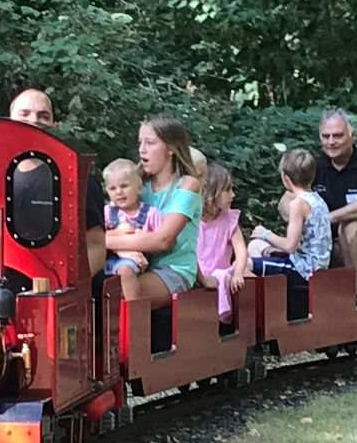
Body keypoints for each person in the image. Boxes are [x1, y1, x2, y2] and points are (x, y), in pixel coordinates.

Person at [280, 109, 357, 311]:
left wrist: (327, 217)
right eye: (326, 136)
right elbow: (286, 201)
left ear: (351, 136)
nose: (331, 142)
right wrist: (297, 216)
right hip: (324, 247)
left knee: (350, 227)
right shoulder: (315, 166)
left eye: (337, 135)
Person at [8, 88, 107, 280]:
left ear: (54, 125)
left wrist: (66, 285)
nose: (34, 121)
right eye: (24, 114)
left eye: (43, 116)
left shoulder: (77, 177)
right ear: (9, 119)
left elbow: (95, 245)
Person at [106, 115, 201, 306]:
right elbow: (110, 220)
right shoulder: (136, 185)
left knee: (121, 290)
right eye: (140, 142)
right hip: (135, 261)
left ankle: (135, 334)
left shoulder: (186, 185)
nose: (141, 149)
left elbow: (163, 240)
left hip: (173, 268)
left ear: (171, 149)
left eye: (149, 143)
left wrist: (102, 242)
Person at [249, 148, 331, 289]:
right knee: (255, 245)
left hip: (303, 270)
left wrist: (265, 234)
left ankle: (267, 304)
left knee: (245, 264)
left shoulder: (298, 204)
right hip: (314, 263)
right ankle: (271, 293)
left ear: (285, 177)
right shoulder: (318, 199)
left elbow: (290, 246)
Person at [100, 159, 165, 300]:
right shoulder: (106, 212)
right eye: (113, 188)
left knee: (125, 270)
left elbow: (161, 241)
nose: (119, 192)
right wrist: (116, 232)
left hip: (135, 261)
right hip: (105, 258)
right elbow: (95, 237)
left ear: (139, 187)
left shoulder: (151, 213)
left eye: (124, 186)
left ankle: (132, 310)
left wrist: (141, 236)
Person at [196, 163, 248, 323]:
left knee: (221, 275)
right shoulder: (193, 219)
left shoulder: (229, 219)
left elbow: (241, 251)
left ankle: (224, 317)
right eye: (227, 190)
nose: (232, 195)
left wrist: (238, 273)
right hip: (199, 274)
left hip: (223, 272)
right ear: (211, 193)